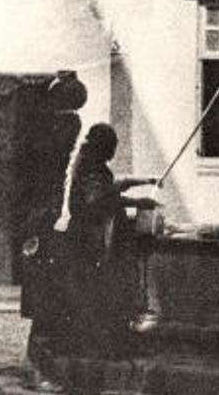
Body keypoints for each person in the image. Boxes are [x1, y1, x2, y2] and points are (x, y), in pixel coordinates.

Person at [58, 123, 159, 363]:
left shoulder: (90, 164)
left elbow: (113, 185)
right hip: (90, 241)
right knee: (102, 292)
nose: (114, 152)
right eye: (112, 147)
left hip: (88, 238)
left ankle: (100, 345)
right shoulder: (93, 169)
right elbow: (99, 199)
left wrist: (147, 180)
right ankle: (103, 349)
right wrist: (139, 202)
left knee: (96, 294)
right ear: (104, 147)